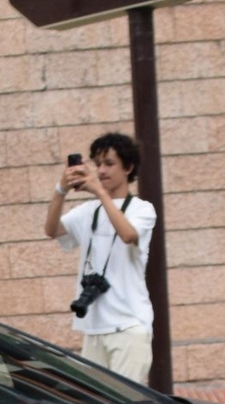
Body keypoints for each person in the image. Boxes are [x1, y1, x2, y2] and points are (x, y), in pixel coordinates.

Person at [44, 131, 157, 382]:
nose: (101, 171)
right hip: (93, 327)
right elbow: (51, 231)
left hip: (129, 326)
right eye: (98, 164)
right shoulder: (87, 211)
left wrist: (100, 193)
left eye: (109, 163)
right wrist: (60, 189)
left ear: (127, 167)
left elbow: (128, 235)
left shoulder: (142, 209)